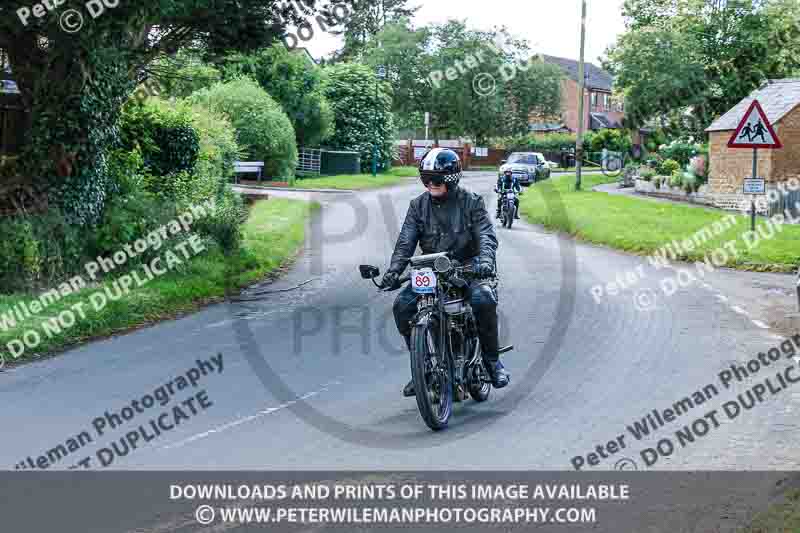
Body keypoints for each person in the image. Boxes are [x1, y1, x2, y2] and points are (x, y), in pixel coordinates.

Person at [381, 148, 511, 398]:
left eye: (437, 179)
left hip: (468, 267)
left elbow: (486, 234)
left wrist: (484, 260)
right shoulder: (418, 206)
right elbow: (405, 241)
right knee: (402, 307)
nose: (431, 184)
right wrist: (393, 270)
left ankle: (492, 362)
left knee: (483, 299)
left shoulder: (471, 201)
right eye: (426, 178)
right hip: (432, 269)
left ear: (452, 178)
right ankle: (422, 366)